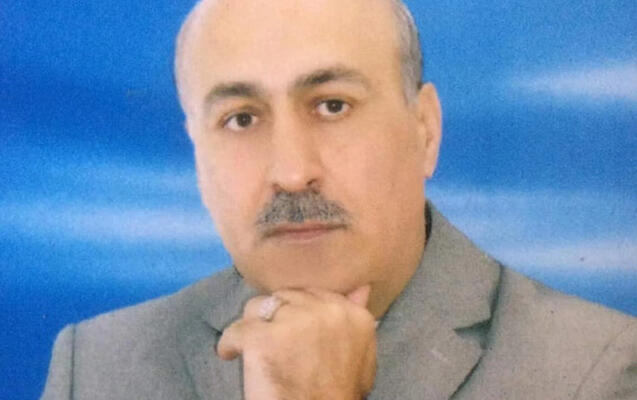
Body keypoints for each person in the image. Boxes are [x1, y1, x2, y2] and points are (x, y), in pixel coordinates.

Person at [41, 0, 637, 398]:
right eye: (241, 118)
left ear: (425, 131)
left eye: (332, 106)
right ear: (198, 154)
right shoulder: (94, 367)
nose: (291, 172)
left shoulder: (596, 370)